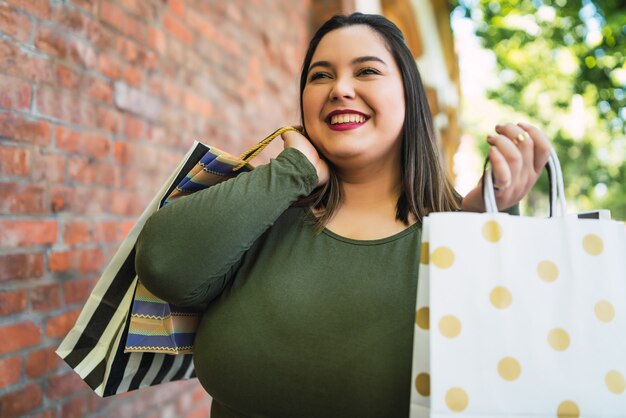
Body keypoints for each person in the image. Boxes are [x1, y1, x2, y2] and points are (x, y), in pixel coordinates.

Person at [135, 12, 551, 418]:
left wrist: (482, 223)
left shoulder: (459, 233)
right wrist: (292, 172)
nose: (340, 89)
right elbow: (163, 265)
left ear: (409, 94)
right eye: (321, 75)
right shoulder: (262, 207)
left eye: (367, 71)